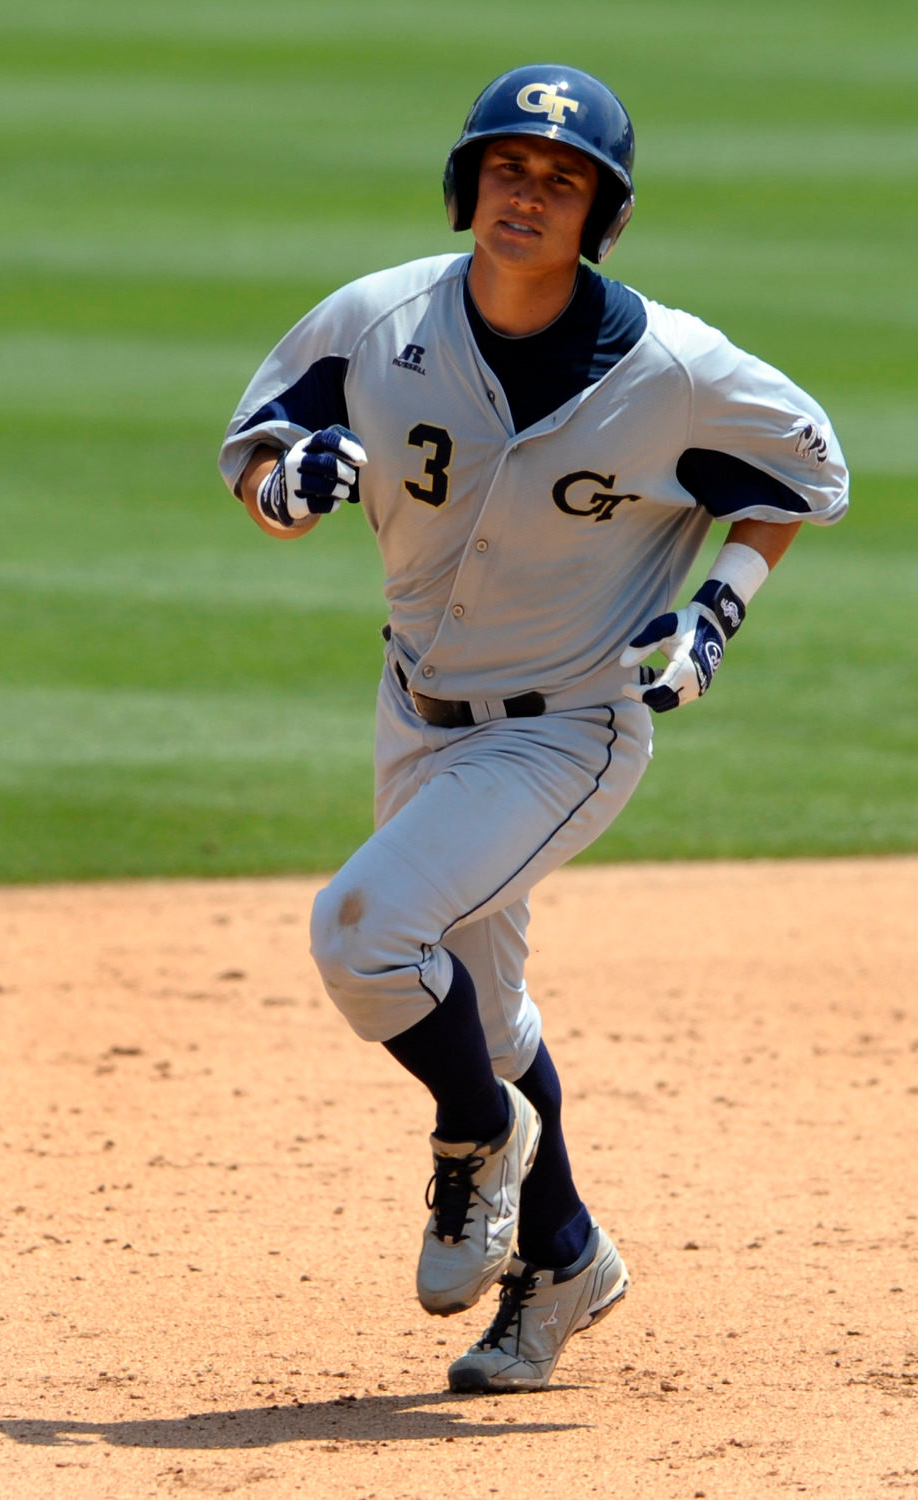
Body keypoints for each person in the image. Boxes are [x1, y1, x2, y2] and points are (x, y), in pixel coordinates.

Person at [218, 64, 848, 1394]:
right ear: (467, 184)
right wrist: (293, 487)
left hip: (571, 730)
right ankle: (562, 1259)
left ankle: (473, 1146)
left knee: (366, 930)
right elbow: (263, 455)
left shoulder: (672, 369)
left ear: (601, 214)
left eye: (563, 181)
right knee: (487, 1014)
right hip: (416, 716)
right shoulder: (377, 321)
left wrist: (717, 612)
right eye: (509, 167)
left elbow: (809, 466)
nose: (528, 195)